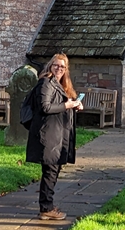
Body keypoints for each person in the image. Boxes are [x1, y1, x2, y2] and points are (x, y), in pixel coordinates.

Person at [25, 52, 83, 220]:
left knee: (53, 171)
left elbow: (59, 105)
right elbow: (45, 107)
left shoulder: (59, 84)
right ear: (50, 66)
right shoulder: (46, 82)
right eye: (56, 65)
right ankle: (46, 208)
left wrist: (74, 105)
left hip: (57, 134)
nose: (59, 69)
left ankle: (47, 206)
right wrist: (67, 105)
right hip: (48, 135)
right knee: (50, 171)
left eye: (62, 67)